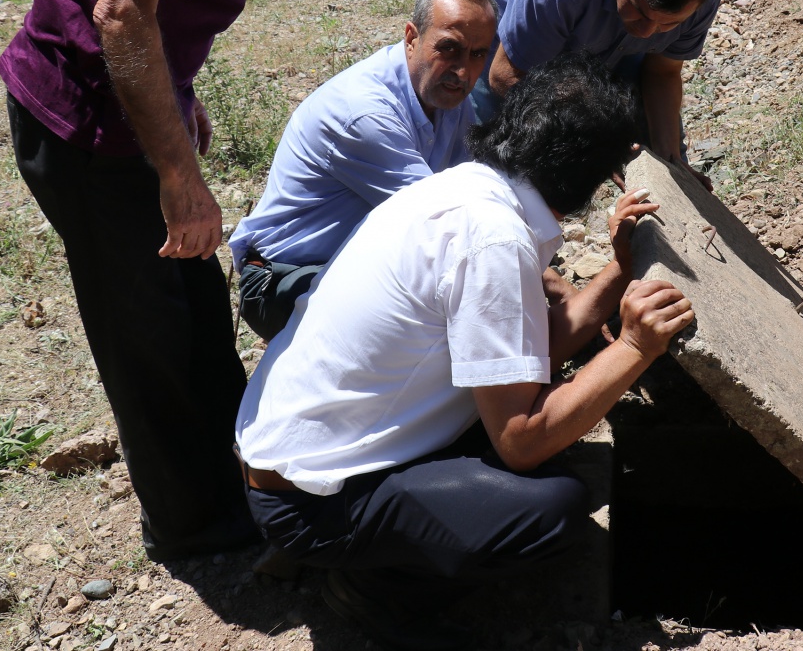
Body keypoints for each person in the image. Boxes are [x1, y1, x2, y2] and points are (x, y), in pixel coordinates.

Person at [0, 0, 385, 562]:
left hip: (116, 109)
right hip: (88, 131)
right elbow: (123, 13)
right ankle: (196, 530)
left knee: (192, 309)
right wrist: (177, 173)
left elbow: (141, 0)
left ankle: (238, 489)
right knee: (151, 335)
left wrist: (176, 92)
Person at [235, 55, 695, 651]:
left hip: (295, 457)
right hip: (308, 504)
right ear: (590, 179)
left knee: (536, 428)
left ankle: (373, 540)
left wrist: (619, 271)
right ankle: (376, 591)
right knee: (552, 507)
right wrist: (635, 346)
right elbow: (522, 441)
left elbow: (534, 350)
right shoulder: (494, 239)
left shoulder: (467, 190)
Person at [228, 0, 498, 340]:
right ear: (411, 37)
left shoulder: (443, 93)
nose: (464, 71)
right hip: (285, 280)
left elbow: (477, 188)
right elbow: (443, 225)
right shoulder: (363, 114)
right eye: (449, 48)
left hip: (349, 264)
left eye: (478, 54)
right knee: (435, 328)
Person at [458, 0, 721, 185]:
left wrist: (669, 158)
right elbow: (507, 76)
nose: (647, 34)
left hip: (588, 3)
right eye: (640, 11)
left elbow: (661, 72)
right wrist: (592, 147)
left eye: (668, 25)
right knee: (503, 150)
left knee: (657, 149)